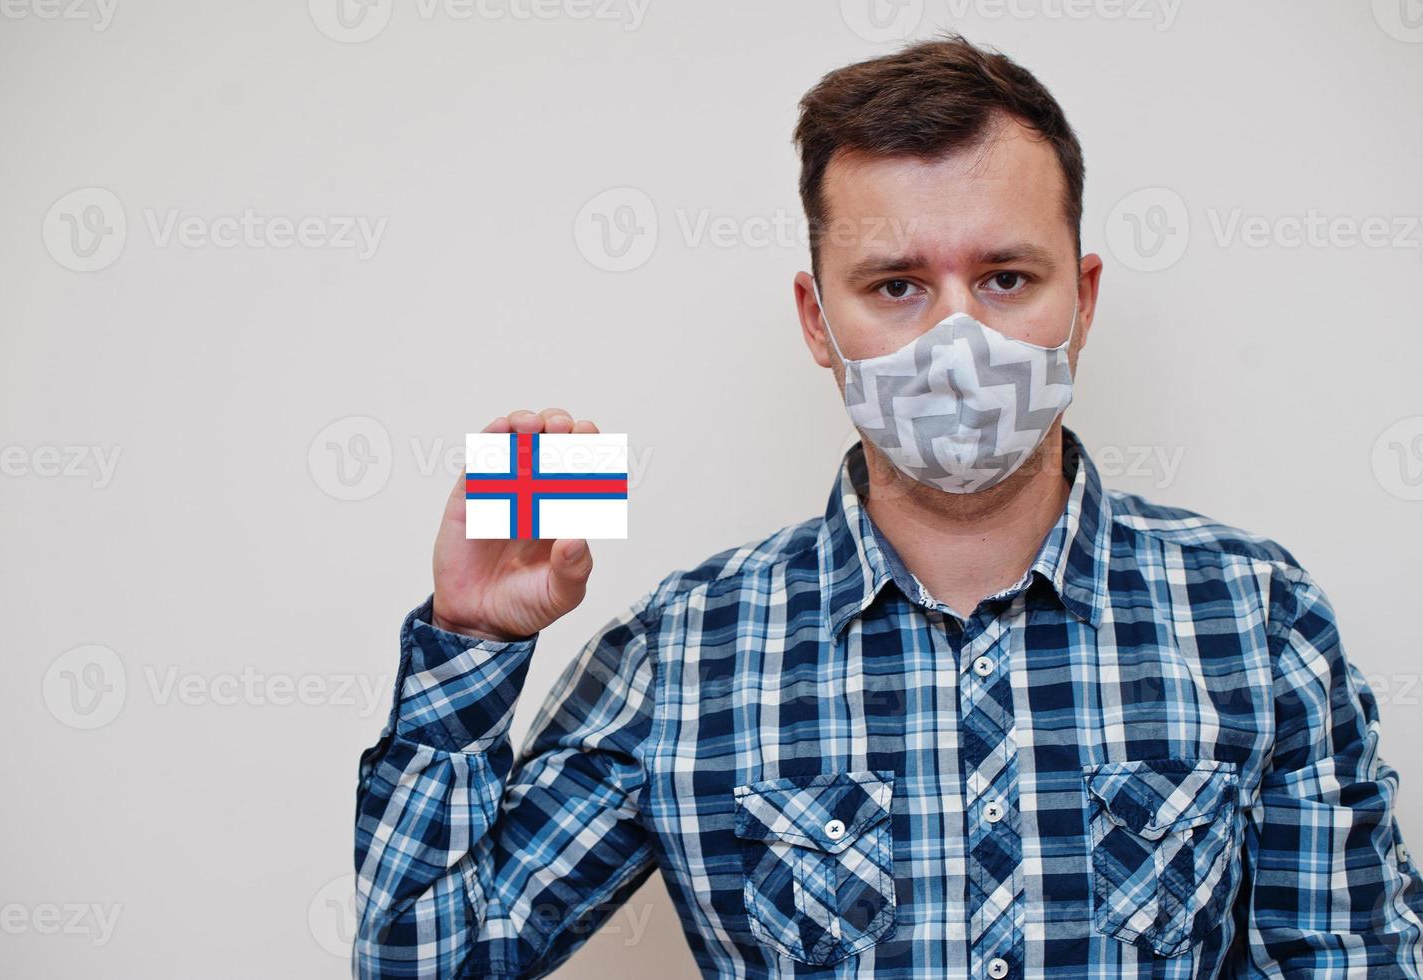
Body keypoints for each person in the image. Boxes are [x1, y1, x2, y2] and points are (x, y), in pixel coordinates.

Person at [352, 34, 1423, 978]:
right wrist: (472, 642)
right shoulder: (684, 650)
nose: (958, 339)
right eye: (897, 285)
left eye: (1006, 277)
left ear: (1082, 299)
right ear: (818, 320)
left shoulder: (1255, 613)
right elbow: (424, 959)